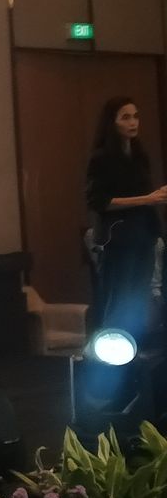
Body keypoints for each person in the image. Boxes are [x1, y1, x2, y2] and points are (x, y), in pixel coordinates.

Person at [85, 96, 167, 337]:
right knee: (119, 296)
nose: (133, 122)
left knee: (138, 297)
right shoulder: (101, 158)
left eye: (136, 116)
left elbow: (146, 195)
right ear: (112, 122)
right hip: (119, 238)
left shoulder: (139, 155)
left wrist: (155, 198)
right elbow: (98, 201)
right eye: (126, 117)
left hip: (145, 233)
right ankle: (112, 347)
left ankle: (134, 347)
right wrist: (147, 199)